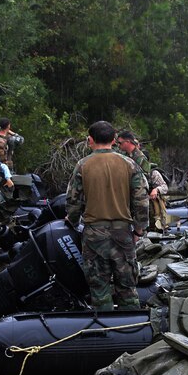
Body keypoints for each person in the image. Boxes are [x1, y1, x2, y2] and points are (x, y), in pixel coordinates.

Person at [66, 121, 148, 311]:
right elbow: (142, 201)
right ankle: (132, 330)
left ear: (90, 140)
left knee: (99, 290)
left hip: (94, 235)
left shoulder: (82, 165)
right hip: (123, 233)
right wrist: (139, 230)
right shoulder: (130, 164)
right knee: (127, 288)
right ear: (113, 140)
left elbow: (73, 200)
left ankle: (105, 329)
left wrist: (72, 219)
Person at [116, 131, 168, 230]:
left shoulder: (143, 162)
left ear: (127, 142)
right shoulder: (126, 156)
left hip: (143, 203)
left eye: (120, 143)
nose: (119, 145)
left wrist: (156, 190)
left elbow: (145, 182)